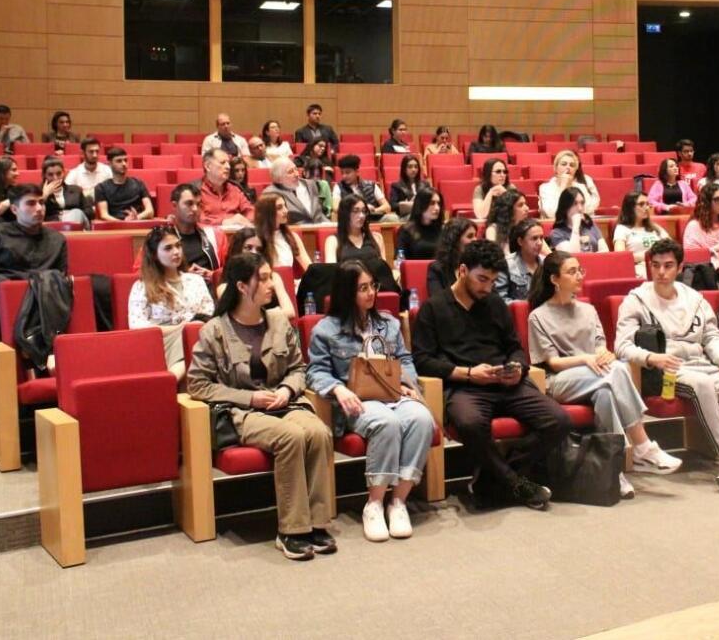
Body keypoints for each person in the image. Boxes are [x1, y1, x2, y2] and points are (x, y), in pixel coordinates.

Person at [186, 252, 334, 560]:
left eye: (271, 277)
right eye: (263, 279)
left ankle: (317, 523)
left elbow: (298, 368)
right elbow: (198, 385)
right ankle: (292, 530)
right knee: (290, 437)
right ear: (242, 286)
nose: (271, 284)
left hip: (285, 403)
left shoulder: (278, 321)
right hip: (243, 412)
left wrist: (286, 389)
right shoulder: (215, 330)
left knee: (319, 432)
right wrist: (250, 398)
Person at [412, 239, 571, 510]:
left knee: (559, 420)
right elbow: (423, 361)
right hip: (464, 386)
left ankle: (493, 478)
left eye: (493, 281)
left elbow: (515, 347)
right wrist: (468, 374)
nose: (487, 287)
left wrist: (517, 367)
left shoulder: (495, 303)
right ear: (463, 270)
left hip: (506, 383)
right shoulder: (434, 308)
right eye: (481, 279)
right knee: (471, 423)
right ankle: (516, 484)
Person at [615, 239, 719, 497]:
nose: (661, 272)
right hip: (665, 371)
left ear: (679, 267)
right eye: (656, 265)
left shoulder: (694, 298)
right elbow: (622, 346)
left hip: (702, 365)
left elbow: (712, 336)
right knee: (702, 384)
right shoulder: (636, 300)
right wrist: (651, 357)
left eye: (668, 266)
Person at [528, 251, 683, 498]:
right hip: (560, 381)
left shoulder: (588, 310)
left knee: (606, 395)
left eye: (580, 270)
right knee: (618, 370)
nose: (579, 276)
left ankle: (614, 472)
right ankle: (642, 445)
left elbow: (600, 346)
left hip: (599, 376)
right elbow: (553, 363)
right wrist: (587, 359)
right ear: (554, 279)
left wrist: (604, 355)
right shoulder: (538, 316)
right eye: (572, 272)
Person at [307, 261, 434, 541]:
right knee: (387, 423)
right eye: (362, 288)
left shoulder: (388, 324)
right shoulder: (325, 330)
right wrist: (337, 389)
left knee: (422, 418)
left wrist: (406, 383)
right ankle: (374, 504)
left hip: (392, 393)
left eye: (372, 286)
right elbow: (315, 372)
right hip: (357, 401)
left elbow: (404, 359)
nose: (371, 293)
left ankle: (398, 502)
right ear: (346, 292)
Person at [0, 183, 67, 419]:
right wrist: (14, 290)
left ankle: (63, 378)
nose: (39, 208)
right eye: (31, 203)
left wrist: (35, 291)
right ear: (14, 209)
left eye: (41, 202)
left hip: (42, 298)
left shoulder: (57, 239)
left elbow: (60, 277)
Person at [128, 226, 215, 382]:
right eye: (168, 248)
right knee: (192, 335)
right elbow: (137, 326)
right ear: (154, 255)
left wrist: (189, 329)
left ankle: (169, 381)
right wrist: (182, 328)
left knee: (199, 334)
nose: (176, 252)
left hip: (198, 337)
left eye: (178, 246)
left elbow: (208, 314)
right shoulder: (142, 286)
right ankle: (170, 381)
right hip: (160, 344)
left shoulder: (195, 280)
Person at [323, 195, 398, 294]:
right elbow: (331, 274)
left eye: (364, 211)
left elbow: (383, 271)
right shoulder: (333, 241)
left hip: (376, 290)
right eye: (356, 211)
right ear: (345, 214)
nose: (362, 216)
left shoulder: (377, 238)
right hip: (348, 291)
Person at [217, 229, 296, 318]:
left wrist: (264, 318)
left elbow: (290, 312)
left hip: (277, 325)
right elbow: (242, 316)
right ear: (237, 250)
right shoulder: (224, 286)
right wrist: (275, 314)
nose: (254, 253)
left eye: (259, 250)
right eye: (248, 248)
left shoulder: (274, 277)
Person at [166, 183, 226, 284]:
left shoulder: (215, 235)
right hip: (175, 289)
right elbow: (145, 273)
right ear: (174, 206)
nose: (195, 209)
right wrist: (183, 276)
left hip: (210, 289)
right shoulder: (161, 238)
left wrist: (213, 275)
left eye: (198, 204)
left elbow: (231, 270)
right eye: (189, 204)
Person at [613, 191, 669, 278]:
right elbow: (620, 256)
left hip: (662, 266)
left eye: (647, 204)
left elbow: (672, 248)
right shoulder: (622, 229)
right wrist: (646, 257)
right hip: (639, 269)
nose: (646, 208)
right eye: (641, 204)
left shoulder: (655, 228)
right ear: (630, 208)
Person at [262, 157, 329, 225]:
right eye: (290, 172)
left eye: (296, 169)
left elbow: (318, 214)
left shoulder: (310, 184)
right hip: (294, 230)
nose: (297, 174)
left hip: (320, 227)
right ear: (279, 179)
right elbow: (271, 222)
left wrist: (331, 225)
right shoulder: (271, 193)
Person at [94, 147, 154, 221]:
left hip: (137, 222)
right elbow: (104, 215)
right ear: (109, 164)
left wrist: (137, 218)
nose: (124, 164)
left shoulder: (139, 183)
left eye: (125, 160)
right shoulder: (101, 188)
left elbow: (150, 211)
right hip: (114, 224)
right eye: (119, 161)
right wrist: (123, 223)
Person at [254, 195, 311, 272]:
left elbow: (308, 267)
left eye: (285, 206)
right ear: (267, 212)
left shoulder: (292, 237)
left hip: (289, 279)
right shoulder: (255, 239)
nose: (286, 211)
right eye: (279, 208)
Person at [538, 150, 600, 218]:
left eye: (572, 165)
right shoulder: (545, 188)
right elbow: (553, 213)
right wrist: (563, 187)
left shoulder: (581, 187)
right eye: (563, 164)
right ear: (555, 168)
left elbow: (588, 209)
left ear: (575, 170)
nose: (568, 167)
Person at [199, 149, 254, 227]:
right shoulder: (197, 190)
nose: (228, 167)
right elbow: (198, 219)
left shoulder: (235, 188)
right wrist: (223, 222)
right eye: (222, 163)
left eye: (228, 163)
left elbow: (250, 210)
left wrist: (246, 220)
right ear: (208, 166)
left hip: (238, 232)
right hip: (210, 232)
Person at [333, 154, 395, 221]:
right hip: (351, 221)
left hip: (372, 219)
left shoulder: (371, 185)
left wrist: (373, 210)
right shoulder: (338, 187)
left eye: (347, 173)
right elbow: (336, 208)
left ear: (357, 172)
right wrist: (360, 209)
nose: (344, 176)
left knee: (392, 218)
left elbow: (387, 207)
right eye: (342, 173)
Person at [496, 218, 546, 302]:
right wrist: (522, 306)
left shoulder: (546, 262)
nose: (540, 243)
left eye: (541, 238)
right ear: (520, 241)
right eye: (534, 238)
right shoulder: (506, 264)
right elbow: (500, 299)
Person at [427, 217, 476, 299]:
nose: (475, 240)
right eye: (470, 236)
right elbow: (437, 300)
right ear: (455, 240)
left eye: (475, 236)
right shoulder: (437, 268)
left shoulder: (477, 265)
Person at [549, 188, 608, 253]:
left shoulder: (590, 225)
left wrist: (592, 257)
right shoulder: (557, 233)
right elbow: (573, 254)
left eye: (582, 203)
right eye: (575, 204)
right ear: (565, 207)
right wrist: (576, 226)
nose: (580, 208)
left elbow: (605, 250)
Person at [40, 156, 92, 229]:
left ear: (64, 173)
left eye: (59, 174)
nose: (55, 178)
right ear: (44, 175)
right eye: (50, 175)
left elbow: (90, 212)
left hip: (77, 223)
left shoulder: (75, 190)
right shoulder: (38, 193)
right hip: (52, 227)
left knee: (76, 212)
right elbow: (34, 215)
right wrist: (45, 195)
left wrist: (69, 214)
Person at [396, 188, 443, 261]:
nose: (437, 208)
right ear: (421, 205)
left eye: (438, 204)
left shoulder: (443, 229)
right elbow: (399, 258)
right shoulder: (407, 230)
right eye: (432, 203)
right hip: (414, 268)